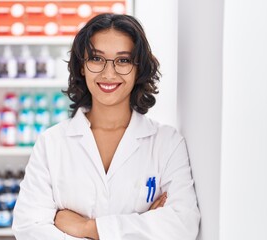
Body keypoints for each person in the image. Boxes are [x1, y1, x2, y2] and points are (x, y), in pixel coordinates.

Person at [12, 13, 200, 240]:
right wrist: (142, 226)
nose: (108, 73)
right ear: (82, 66)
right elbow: (28, 228)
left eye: (123, 60)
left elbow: (182, 225)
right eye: (96, 59)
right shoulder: (52, 143)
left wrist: (88, 228)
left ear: (138, 69)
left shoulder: (166, 142)